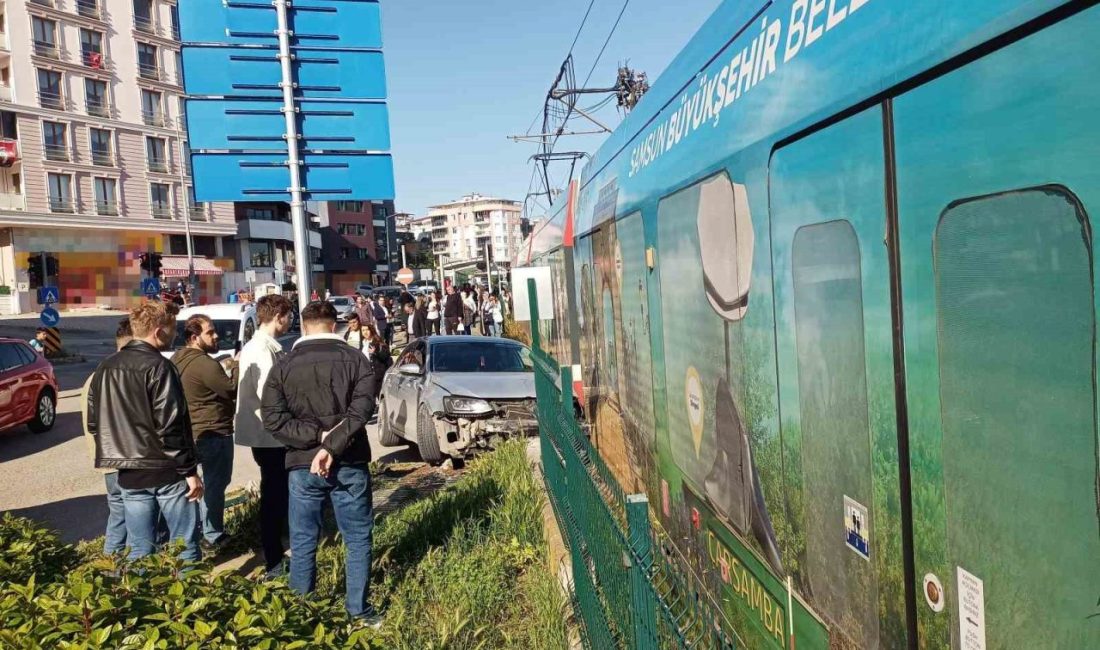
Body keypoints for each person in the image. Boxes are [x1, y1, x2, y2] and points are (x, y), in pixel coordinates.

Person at [262, 301, 379, 623]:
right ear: (334, 324)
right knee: (356, 538)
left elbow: (272, 419)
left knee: (302, 540)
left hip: (302, 464)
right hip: (350, 460)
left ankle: (302, 613)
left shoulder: (283, 365)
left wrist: (316, 439)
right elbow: (362, 411)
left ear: (303, 325)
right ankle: (359, 611)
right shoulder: (357, 360)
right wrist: (331, 443)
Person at [88, 301, 203, 562]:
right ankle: (187, 599)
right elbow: (170, 425)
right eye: (173, 329)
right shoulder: (159, 367)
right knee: (184, 544)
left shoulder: (105, 368)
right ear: (158, 331)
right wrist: (189, 471)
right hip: (167, 470)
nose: (175, 335)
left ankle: (140, 599)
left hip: (128, 473)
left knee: (139, 548)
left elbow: (95, 423)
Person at [234, 294, 295, 578]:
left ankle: (277, 554)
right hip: (270, 435)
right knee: (274, 497)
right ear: (279, 316)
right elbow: (271, 395)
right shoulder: (261, 349)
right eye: (289, 316)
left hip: (267, 434)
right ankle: (273, 560)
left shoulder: (264, 346)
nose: (291, 321)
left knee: (277, 495)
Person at [172, 315, 239, 550]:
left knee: (191, 487)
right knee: (215, 484)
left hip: (190, 432)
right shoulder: (204, 363)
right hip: (213, 432)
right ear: (194, 337)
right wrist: (237, 365)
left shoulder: (177, 360)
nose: (216, 335)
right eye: (210, 332)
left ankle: (189, 535)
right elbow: (230, 390)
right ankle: (212, 535)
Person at [81, 318, 133, 554]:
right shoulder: (118, 376)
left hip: (106, 461)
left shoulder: (95, 376)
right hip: (126, 462)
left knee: (119, 517)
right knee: (136, 521)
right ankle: (131, 575)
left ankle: (111, 570)